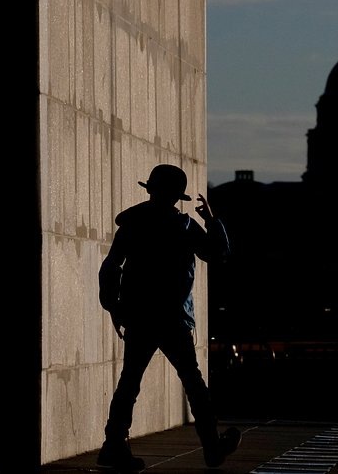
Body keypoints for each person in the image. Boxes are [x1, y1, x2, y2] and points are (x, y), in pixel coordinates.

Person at [96, 164, 241, 472]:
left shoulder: (133, 223)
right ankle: (212, 447)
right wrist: (212, 221)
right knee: (193, 383)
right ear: (178, 196)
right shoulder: (185, 226)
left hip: (140, 316)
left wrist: (114, 306)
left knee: (130, 382)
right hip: (173, 318)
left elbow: (111, 266)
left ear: (150, 189)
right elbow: (218, 253)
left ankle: (113, 445)